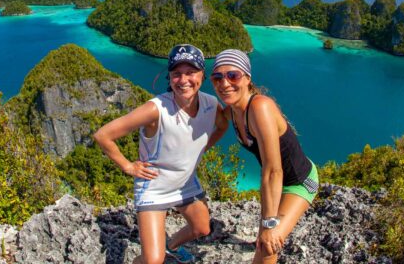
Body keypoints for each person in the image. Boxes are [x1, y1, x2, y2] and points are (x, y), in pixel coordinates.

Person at [94, 44, 227, 264]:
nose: (184, 80)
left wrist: (201, 148)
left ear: (203, 75)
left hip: (185, 182)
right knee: (153, 261)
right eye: (177, 74)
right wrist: (128, 166)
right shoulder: (156, 109)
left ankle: (171, 245)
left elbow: (221, 126)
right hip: (154, 186)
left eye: (191, 72)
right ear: (170, 77)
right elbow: (103, 135)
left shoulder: (210, 105)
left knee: (202, 228)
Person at [210, 49, 318, 264]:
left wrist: (269, 223)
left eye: (233, 75)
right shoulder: (232, 110)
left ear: (248, 78)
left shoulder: (260, 107)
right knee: (265, 243)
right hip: (275, 186)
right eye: (217, 77)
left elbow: (273, 170)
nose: (224, 83)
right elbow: (215, 123)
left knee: (267, 244)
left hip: (299, 182)